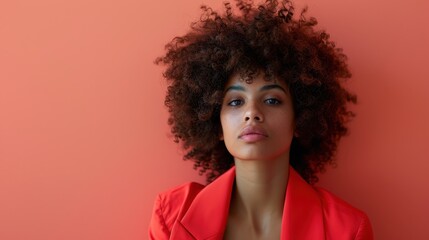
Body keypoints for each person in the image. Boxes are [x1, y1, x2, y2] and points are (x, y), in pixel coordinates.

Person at [149, 0, 374, 239]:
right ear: (217, 124)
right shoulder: (172, 215)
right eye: (235, 101)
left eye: (272, 100)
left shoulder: (348, 229)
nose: (251, 112)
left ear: (300, 118)